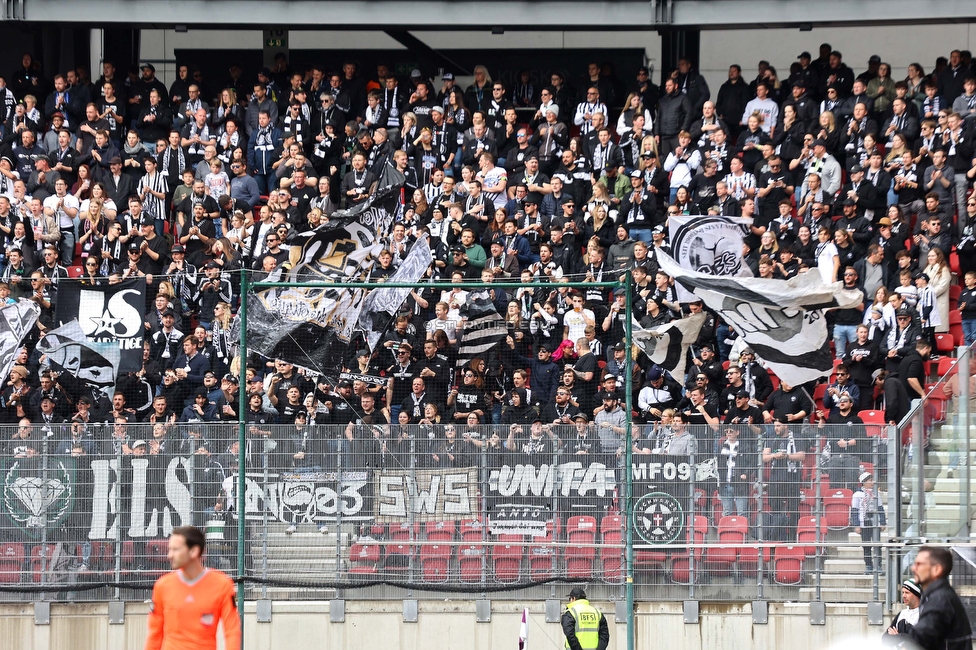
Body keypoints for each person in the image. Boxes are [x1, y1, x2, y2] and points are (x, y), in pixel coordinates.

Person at [144, 525, 240, 650]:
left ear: (194, 551)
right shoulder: (162, 586)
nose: (170, 555)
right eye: (170, 549)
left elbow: (232, 631)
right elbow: (154, 634)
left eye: (176, 549)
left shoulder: (222, 585)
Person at [888, 545, 973, 650]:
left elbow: (921, 637)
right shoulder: (937, 595)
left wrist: (903, 640)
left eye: (919, 564)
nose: (913, 568)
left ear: (936, 569)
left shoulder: (940, 599)